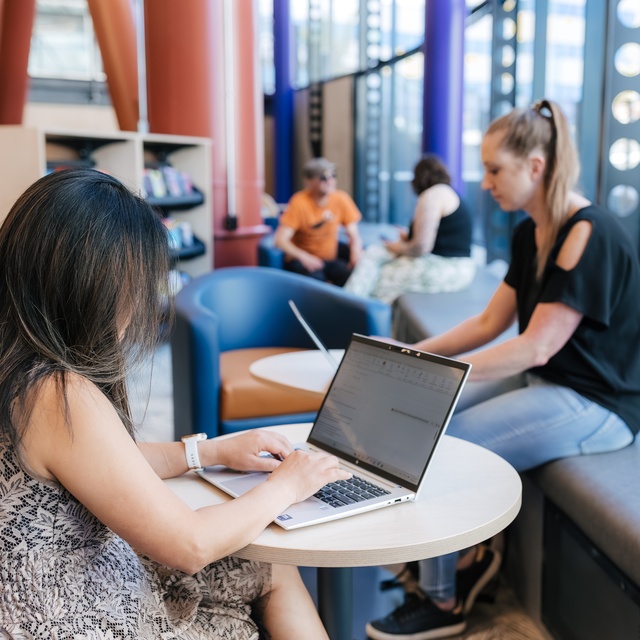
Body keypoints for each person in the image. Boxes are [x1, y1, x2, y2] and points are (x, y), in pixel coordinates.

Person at [0, 168, 351, 639]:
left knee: (268, 567)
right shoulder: (57, 391)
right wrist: (288, 486)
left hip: (56, 587)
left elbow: (102, 460)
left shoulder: (22, 369)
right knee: (261, 566)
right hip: (74, 613)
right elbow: (190, 544)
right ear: (91, 287)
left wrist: (205, 453)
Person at [366, 99, 640, 640]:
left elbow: (535, 347)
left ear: (535, 167)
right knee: (422, 420)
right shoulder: (528, 232)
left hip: (600, 404)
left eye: (494, 169)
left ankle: (444, 601)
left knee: (444, 449)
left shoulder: (588, 232)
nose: (484, 181)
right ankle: (459, 561)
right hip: (553, 383)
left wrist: (436, 375)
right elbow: (491, 321)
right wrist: (411, 357)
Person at [344, 154, 476, 303]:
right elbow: (443, 236)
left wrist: (397, 247)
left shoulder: (431, 195)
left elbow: (420, 247)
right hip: (459, 268)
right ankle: (351, 305)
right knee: (374, 256)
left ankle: (350, 308)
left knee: (380, 278)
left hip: (448, 267)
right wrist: (408, 238)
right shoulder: (447, 192)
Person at [275, 156, 362, 285]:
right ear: (309, 181)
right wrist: (304, 257)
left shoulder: (341, 198)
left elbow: (353, 234)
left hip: (329, 259)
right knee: (317, 282)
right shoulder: (299, 202)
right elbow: (280, 240)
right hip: (303, 260)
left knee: (352, 277)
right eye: (323, 178)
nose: (330, 181)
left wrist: (356, 252)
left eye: (333, 176)